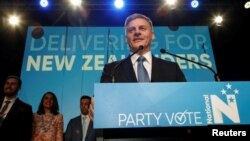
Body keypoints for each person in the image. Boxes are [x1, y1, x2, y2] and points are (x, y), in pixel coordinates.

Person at [89, 13, 187, 139]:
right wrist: (97, 105)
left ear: (152, 35)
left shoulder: (172, 68)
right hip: (125, 136)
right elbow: (101, 101)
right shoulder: (112, 69)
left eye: (142, 28)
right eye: (131, 30)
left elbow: (185, 101)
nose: (137, 32)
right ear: (126, 38)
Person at [0, 75, 33, 141]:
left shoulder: (26, 108)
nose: (9, 86)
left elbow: (25, 134)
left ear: (19, 88)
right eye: (7, 83)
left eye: (13, 84)